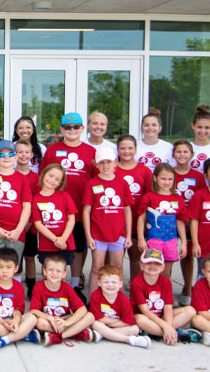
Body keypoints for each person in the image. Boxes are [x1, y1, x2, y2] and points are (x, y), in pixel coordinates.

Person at [38, 112, 96, 298]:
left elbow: (97, 180)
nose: (72, 130)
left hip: (79, 210)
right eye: (68, 127)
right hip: (53, 211)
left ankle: (75, 283)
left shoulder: (90, 151)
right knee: (50, 248)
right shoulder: (53, 150)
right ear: (62, 129)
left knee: (77, 249)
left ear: (82, 129)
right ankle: (51, 283)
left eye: (76, 127)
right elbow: (42, 177)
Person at [82, 144, 133, 294]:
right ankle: (93, 302)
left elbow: (127, 210)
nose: (105, 166)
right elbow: (86, 211)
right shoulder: (92, 183)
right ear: (96, 164)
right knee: (97, 266)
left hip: (118, 234)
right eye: (102, 162)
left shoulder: (122, 183)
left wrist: (128, 235)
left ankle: (119, 301)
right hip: (98, 234)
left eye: (109, 162)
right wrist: (88, 235)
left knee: (117, 267)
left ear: (115, 163)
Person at [0, 139, 32, 273]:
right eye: (2, 155)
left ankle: (13, 293)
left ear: (16, 157)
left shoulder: (22, 179)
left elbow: (27, 206)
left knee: (14, 268)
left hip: (16, 230)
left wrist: (19, 229)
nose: (6, 158)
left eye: (10, 154)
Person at [131, 249, 199, 344]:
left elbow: (168, 308)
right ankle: (176, 334)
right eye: (148, 263)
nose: (152, 266)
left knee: (190, 311)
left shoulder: (166, 282)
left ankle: (158, 333)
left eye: (157, 263)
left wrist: (168, 326)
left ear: (163, 267)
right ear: (141, 265)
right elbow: (144, 311)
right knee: (139, 319)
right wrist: (166, 326)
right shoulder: (136, 282)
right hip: (146, 318)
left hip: (161, 318)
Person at [29, 253, 98, 346]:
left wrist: (67, 323)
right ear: (44, 271)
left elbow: (82, 309)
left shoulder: (67, 288)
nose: (54, 273)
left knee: (90, 316)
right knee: (40, 323)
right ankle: (76, 332)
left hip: (65, 319)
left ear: (64, 274)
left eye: (58, 271)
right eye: (50, 270)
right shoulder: (39, 287)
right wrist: (50, 318)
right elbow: (33, 310)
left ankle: (59, 337)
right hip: (49, 320)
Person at [136, 163, 188, 279]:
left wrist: (183, 242)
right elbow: (141, 218)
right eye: (163, 178)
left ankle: (164, 293)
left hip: (171, 239)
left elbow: (180, 222)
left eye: (170, 179)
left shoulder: (177, 199)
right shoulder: (149, 197)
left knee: (166, 270)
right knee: (151, 268)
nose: (167, 182)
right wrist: (140, 239)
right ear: (155, 178)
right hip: (154, 239)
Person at [114, 134, 153, 284]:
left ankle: (135, 287)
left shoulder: (144, 171)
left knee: (136, 258)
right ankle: (115, 286)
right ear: (118, 150)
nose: (126, 151)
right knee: (114, 260)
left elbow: (150, 197)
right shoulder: (112, 169)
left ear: (136, 150)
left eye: (130, 148)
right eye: (122, 148)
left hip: (137, 222)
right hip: (116, 223)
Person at [0, 247, 40, 350]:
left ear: (16, 268)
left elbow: (18, 309)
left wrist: (17, 320)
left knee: (33, 318)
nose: (4, 271)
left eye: (9, 267)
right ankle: (23, 334)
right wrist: (3, 322)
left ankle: (4, 340)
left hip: (14, 320)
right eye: (0, 267)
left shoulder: (18, 286)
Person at [172, 139, 206, 306]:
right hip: (170, 221)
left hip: (189, 221)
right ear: (173, 155)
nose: (182, 155)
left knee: (188, 255)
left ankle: (188, 288)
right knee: (169, 255)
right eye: (179, 151)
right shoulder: (169, 173)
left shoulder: (197, 176)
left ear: (192, 155)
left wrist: (190, 220)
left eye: (185, 152)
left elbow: (200, 200)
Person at [88, 264, 149, 348]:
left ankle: (102, 335)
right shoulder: (95, 295)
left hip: (112, 326)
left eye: (114, 282)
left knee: (135, 329)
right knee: (95, 324)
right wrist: (116, 322)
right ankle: (128, 339)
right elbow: (99, 319)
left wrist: (108, 327)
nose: (110, 285)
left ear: (120, 284)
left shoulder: (123, 299)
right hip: (105, 325)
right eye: (106, 282)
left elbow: (128, 321)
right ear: (99, 283)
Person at [32, 163, 76, 269]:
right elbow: (38, 224)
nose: (52, 180)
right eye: (50, 176)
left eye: (57, 179)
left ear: (60, 183)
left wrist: (63, 239)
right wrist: (55, 240)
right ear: (43, 174)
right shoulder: (36, 199)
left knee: (61, 272)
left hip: (65, 243)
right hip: (46, 244)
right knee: (47, 271)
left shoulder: (64, 196)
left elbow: (71, 219)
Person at [15, 138, 40, 297]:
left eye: (26, 152)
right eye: (20, 152)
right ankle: (13, 286)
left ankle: (31, 286)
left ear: (31, 155)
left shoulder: (36, 179)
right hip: (12, 224)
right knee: (14, 257)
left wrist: (29, 223)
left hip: (29, 226)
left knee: (29, 256)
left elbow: (37, 203)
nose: (23, 155)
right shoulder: (10, 174)